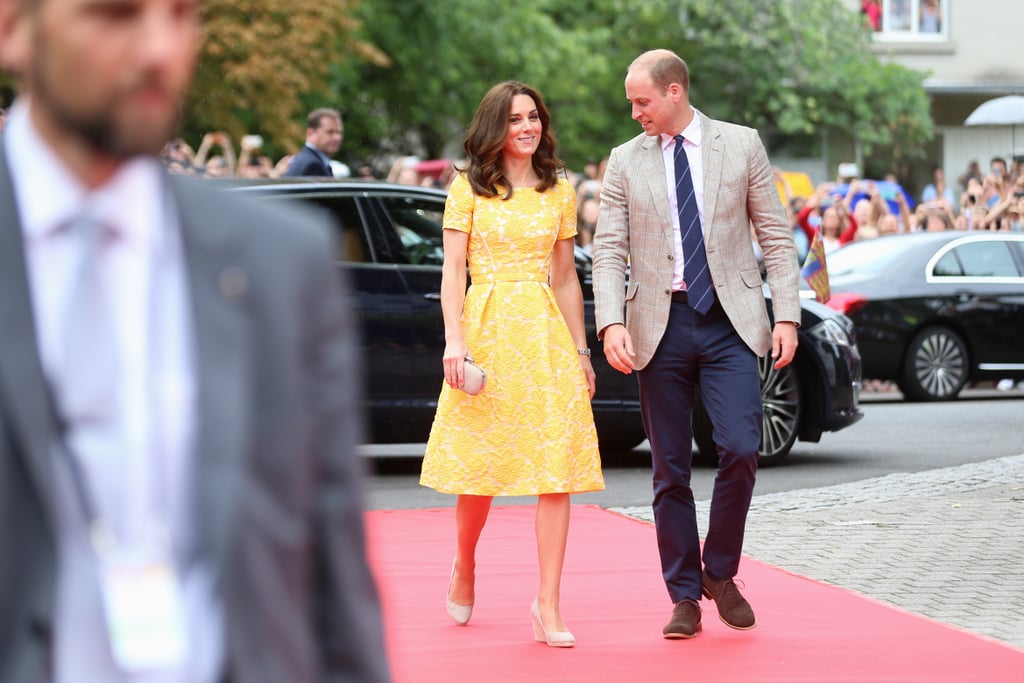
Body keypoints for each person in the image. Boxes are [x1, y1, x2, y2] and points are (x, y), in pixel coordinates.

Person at [0, 1, 389, 682]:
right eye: (115, 15)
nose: (159, 49)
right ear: (12, 28)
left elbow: (333, 584)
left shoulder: (280, 263)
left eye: (181, 14)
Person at [591, 49, 800, 640]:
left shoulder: (741, 144)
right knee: (669, 471)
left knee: (739, 448)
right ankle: (684, 595)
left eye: (642, 101)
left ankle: (721, 571)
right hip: (660, 324)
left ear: (675, 91)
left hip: (732, 321)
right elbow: (608, 250)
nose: (635, 113)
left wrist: (786, 316)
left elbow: (777, 238)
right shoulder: (624, 162)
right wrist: (610, 323)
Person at [418, 80, 604, 648]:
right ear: (495, 126)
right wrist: (455, 342)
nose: (527, 127)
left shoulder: (558, 189)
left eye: (534, 118)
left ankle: (547, 603)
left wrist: (581, 350)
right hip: (487, 329)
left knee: (557, 469)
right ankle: (465, 563)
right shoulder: (467, 187)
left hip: (545, 334)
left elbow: (567, 276)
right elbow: (453, 273)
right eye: (516, 118)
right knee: (481, 467)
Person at [284, 107, 343, 177]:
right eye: (330, 132)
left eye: (339, 133)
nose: (337, 138)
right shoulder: (313, 165)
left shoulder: (305, 159)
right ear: (310, 133)